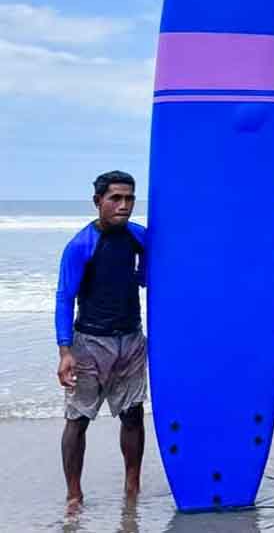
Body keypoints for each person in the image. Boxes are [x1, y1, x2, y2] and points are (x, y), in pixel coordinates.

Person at [55, 171, 147, 507]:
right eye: (115, 198)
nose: (124, 205)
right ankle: (74, 494)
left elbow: (157, 268)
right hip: (90, 343)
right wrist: (65, 351)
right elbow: (64, 297)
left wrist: (143, 273)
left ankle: (132, 486)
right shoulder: (81, 245)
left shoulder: (138, 236)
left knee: (133, 415)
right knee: (78, 419)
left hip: (131, 339)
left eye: (129, 198)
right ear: (98, 201)